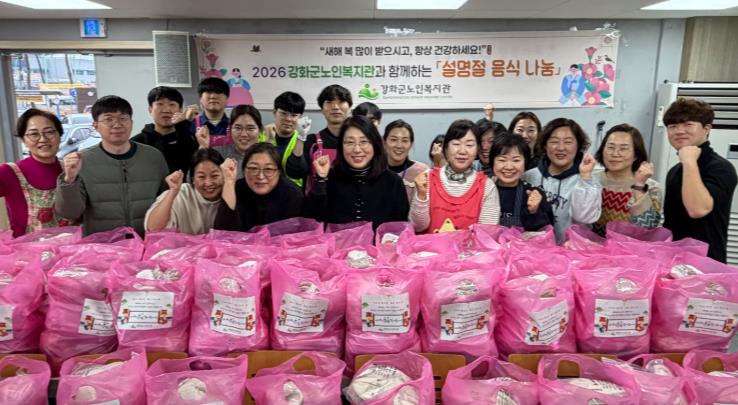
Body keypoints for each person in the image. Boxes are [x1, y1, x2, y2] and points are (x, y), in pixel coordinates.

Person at [55, 95, 169, 236]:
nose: (117, 124)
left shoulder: (153, 157)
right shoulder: (82, 160)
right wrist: (69, 180)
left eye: (123, 118)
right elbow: (69, 213)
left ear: (131, 123)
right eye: (108, 119)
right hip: (102, 244)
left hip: (147, 239)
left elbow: (166, 201)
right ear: (95, 126)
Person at [662, 98, 737, 263]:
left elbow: (698, 209)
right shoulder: (675, 171)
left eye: (688, 124)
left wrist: (689, 161)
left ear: (706, 129)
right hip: (673, 259)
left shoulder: (721, 168)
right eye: (673, 126)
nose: (679, 131)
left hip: (706, 263)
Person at [308, 115, 408, 228]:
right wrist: (321, 180)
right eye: (350, 142)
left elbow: (399, 227)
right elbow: (313, 222)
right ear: (341, 146)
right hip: (336, 240)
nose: (357, 149)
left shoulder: (393, 182)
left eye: (364, 142)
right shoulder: (329, 178)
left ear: (375, 145)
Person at [410, 119, 500, 233]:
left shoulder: (487, 186)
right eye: (456, 144)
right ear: (446, 148)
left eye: (469, 145)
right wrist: (421, 196)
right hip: (429, 245)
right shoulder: (427, 179)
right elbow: (417, 227)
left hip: (470, 246)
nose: (462, 151)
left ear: (477, 149)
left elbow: (486, 235)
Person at [523, 118, 601, 244]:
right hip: (537, 250)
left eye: (568, 142)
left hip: (573, 250)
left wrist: (585, 178)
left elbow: (585, 218)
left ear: (578, 146)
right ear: (545, 145)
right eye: (554, 141)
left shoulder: (589, 181)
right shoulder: (529, 177)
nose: (561, 148)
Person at [0, 109, 74, 237]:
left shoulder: (71, 169)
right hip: (26, 248)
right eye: (34, 134)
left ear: (59, 135)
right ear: (24, 140)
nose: (43, 139)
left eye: (49, 132)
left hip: (71, 247)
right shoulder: (8, 172)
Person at [214, 143, 304, 232]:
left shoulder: (292, 194)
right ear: (244, 170)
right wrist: (228, 181)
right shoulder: (236, 189)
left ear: (279, 172)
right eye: (253, 168)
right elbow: (223, 233)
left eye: (268, 169)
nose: (261, 176)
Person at [592, 124, 662, 236]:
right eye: (610, 147)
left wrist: (639, 185)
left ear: (636, 155)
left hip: (630, 246)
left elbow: (648, 227)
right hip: (590, 245)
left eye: (623, 149)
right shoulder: (591, 181)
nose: (615, 154)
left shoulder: (651, 187)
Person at [286, 84, 352, 191]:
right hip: (318, 198)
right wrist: (300, 137)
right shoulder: (312, 141)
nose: (335, 107)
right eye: (329, 102)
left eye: (341, 101)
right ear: (322, 109)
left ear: (350, 108)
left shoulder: (358, 142)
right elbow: (294, 173)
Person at [145, 148, 224, 235]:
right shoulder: (180, 194)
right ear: (193, 179)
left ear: (224, 175)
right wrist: (173, 192)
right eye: (201, 177)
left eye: (214, 176)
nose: (208, 183)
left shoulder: (230, 194)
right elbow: (153, 228)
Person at [491, 133, 553, 230]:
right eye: (502, 160)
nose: (509, 167)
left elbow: (544, 232)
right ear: (492, 162)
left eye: (516, 160)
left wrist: (534, 211)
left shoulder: (534, 194)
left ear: (525, 162)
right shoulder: (484, 190)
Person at [130, 86, 198, 175]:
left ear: (180, 109)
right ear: (150, 110)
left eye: (172, 104)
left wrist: (184, 124)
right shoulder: (136, 143)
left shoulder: (189, 140)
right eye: (160, 104)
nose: (166, 110)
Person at [197, 105, 261, 179]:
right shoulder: (217, 154)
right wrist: (203, 148)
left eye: (250, 128)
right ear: (230, 130)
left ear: (260, 130)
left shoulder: (267, 156)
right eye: (238, 128)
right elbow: (193, 178)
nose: (244, 134)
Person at [258, 92, 306, 187]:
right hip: (263, 189)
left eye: (294, 115)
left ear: (300, 117)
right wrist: (268, 141)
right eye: (283, 113)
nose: (288, 119)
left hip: (293, 192)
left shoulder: (302, 140)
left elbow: (299, 172)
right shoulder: (260, 137)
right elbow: (257, 166)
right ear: (274, 112)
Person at [383, 119, 429, 202]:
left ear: (411, 144)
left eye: (405, 141)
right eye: (393, 139)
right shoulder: (374, 170)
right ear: (384, 142)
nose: (399, 145)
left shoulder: (422, 172)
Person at [191, 78, 231, 147]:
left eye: (218, 92)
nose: (213, 96)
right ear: (200, 99)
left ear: (227, 99)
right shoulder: (191, 125)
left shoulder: (235, 126)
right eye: (208, 92)